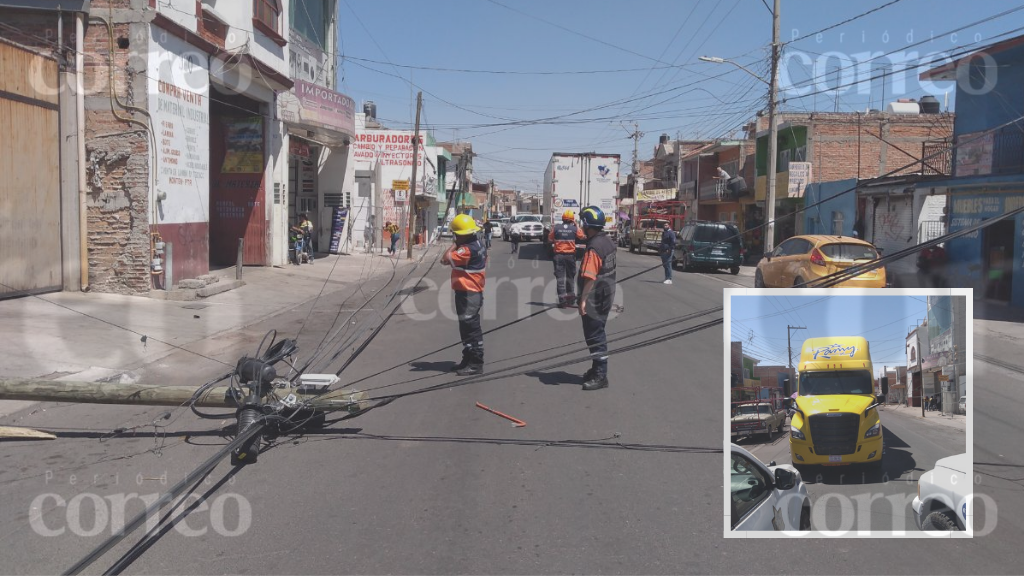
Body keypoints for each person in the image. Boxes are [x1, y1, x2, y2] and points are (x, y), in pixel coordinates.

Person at [441, 214, 487, 376]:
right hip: (470, 291)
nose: (454, 237)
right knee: (466, 327)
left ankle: (476, 363)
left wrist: (454, 245)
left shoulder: (466, 250)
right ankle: (467, 358)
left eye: (455, 234)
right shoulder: (478, 244)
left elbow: (445, 259)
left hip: (469, 292)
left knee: (471, 328)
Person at [577, 206, 617, 391]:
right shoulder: (607, 242)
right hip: (606, 295)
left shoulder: (594, 247)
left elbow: (590, 277)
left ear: (587, 224)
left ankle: (601, 375)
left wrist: (583, 300)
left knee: (595, 336)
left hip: (595, 298)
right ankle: (596, 369)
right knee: (597, 333)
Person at [550, 210, 586, 308]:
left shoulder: (556, 228)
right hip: (570, 256)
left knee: (560, 279)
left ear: (563, 218)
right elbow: (582, 237)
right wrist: (576, 226)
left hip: (558, 256)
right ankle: (570, 301)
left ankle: (562, 302)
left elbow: (549, 239)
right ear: (572, 220)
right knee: (570, 277)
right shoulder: (574, 229)